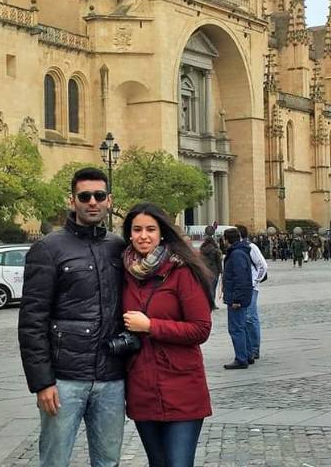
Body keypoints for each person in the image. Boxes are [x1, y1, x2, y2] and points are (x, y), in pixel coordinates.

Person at [18, 167, 125, 467]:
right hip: (64, 381)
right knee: (55, 461)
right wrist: (42, 382)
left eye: (99, 195)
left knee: (108, 462)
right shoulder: (48, 248)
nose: (92, 201)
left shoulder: (118, 247)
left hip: (111, 379)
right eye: (85, 196)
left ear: (108, 201)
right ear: (72, 200)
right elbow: (32, 320)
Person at [121, 203, 212, 467]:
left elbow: (200, 328)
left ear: (162, 234)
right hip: (142, 388)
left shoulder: (182, 271)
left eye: (151, 229)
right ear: (129, 234)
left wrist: (151, 326)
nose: (143, 236)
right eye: (137, 229)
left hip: (181, 387)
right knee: (157, 463)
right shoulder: (125, 272)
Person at [221, 227, 253, 369]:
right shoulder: (241, 252)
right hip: (240, 295)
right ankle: (248, 354)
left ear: (227, 239)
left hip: (237, 297)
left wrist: (237, 300)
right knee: (242, 326)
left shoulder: (236, 254)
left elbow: (240, 278)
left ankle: (241, 358)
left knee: (236, 328)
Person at [237, 225, 268, 364]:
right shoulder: (236, 248)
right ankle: (247, 348)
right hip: (241, 287)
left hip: (251, 287)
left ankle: (254, 348)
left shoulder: (251, 247)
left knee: (250, 317)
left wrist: (255, 281)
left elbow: (263, 265)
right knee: (242, 318)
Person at [198, 226, 223, 309]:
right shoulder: (215, 249)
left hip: (205, 269)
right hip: (214, 270)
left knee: (206, 287)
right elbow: (218, 260)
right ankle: (212, 303)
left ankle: (206, 302)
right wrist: (221, 270)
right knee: (213, 287)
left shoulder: (202, 249)